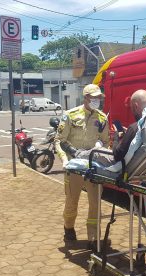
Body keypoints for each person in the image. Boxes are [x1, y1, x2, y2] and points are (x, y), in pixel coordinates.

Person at [54, 84, 109, 246]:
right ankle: (68, 227)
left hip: (93, 167)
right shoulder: (70, 115)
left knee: (95, 204)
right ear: (85, 98)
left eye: (98, 98)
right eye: (93, 98)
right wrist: (64, 160)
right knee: (72, 201)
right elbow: (59, 140)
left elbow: (106, 140)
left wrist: (101, 145)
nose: (96, 101)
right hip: (73, 167)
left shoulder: (102, 118)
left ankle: (93, 237)